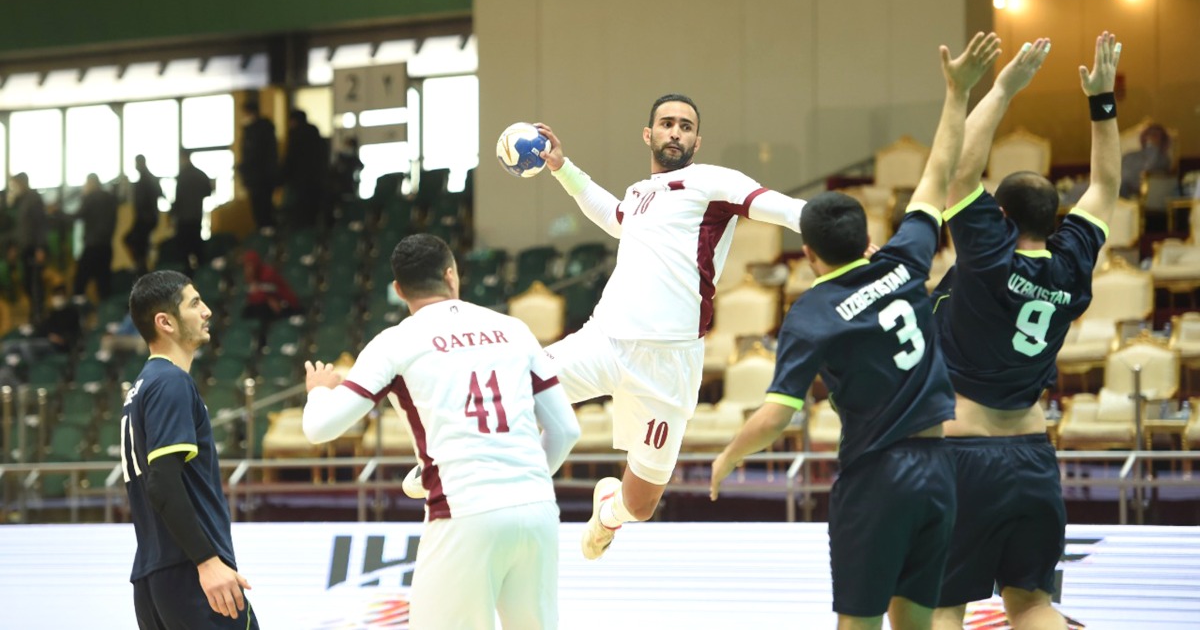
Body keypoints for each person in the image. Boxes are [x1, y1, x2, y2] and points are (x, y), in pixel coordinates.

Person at [709, 32, 1000, 630]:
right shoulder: (904, 259)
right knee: (914, 624)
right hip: (940, 472)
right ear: (863, 234)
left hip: (878, 480)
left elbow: (776, 415)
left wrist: (726, 457)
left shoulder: (811, 314)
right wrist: (957, 92)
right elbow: (937, 169)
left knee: (859, 624)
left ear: (808, 253)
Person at [534, 93, 811, 560]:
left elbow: (781, 209)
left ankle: (607, 513)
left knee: (640, 505)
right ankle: (442, 466)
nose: (675, 132)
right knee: (515, 388)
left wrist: (837, 229)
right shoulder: (641, 194)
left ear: (697, 140)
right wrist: (563, 167)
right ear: (649, 134)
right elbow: (611, 215)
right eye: (667, 123)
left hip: (669, 365)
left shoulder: (711, 183)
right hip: (604, 340)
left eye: (685, 126)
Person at [929, 34, 1121, 630]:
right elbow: (1106, 187)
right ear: (1054, 221)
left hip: (965, 456)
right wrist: (1103, 103)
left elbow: (961, 170)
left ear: (1001, 219)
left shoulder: (989, 258)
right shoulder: (1070, 265)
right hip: (1035, 458)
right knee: (1032, 604)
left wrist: (1005, 86)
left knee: (941, 608)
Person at [302, 233, 579, 629]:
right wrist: (520, 480)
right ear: (452, 276)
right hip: (536, 509)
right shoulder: (513, 329)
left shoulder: (395, 343)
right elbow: (566, 429)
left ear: (398, 290)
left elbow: (319, 428)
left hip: (463, 512)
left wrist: (318, 393)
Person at [120, 270, 258, 628]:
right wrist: (207, 561)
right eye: (195, 303)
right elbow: (162, 483)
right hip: (191, 575)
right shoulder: (170, 382)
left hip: (155, 576)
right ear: (165, 322)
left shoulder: (142, 387)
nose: (207, 310)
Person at [279, 108, 328, 229]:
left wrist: (282, 177)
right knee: (313, 217)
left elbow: (291, 159)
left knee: (300, 217)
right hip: (317, 183)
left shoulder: (296, 136)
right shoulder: (316, 136)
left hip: (300, 184)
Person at [9, 172, 47, 323]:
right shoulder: (22, 201)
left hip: (34, 248)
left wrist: (40, 248)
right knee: (27, 283)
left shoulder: (34, 199)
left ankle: (38, 317)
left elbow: (41, 224)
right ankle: (34, 315)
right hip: (24, 248)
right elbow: (20, 228)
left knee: (35, 284)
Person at [73, 173, 118, 300]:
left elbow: (78, 215)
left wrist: (57, 213)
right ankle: (106, 313)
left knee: (80, 282)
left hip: (92, 246)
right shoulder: (110, 198)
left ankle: (79, 311)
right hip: (107, 246)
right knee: (104, 283)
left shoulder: (90, 198)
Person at [237, 104, 278, 231]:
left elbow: (253, 156)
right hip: (264, 179)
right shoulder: (265, 130)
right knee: (264, 210)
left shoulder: (255, 133)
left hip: (259, 180)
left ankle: (266, 233)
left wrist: (243, 169)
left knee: (262, 210)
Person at [174, 152, 214, 275]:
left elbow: (178, 198)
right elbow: (208, 191)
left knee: (184, 252)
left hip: (183, 219)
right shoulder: (200, 174)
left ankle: (189, 277)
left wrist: (173, 214)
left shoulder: (182, 176)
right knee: (198, 248)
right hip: (196, 217)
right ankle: (202, 276)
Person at [124, 155, 163, 276]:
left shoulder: (144, 180)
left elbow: (141, 202)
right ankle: (142, 266)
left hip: (145, 219)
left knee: (134, 241)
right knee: (139, 243)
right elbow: (160, 193)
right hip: (149, 218)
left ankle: (142, 268)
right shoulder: (150, 178)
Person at [1119, 121, 1171, 199]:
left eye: (1156, 135)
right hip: (1122, 194)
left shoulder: (1163, 160)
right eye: (1149, 134)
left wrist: (1153, 147)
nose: (1151, 137)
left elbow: (1149, 168)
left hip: (1149, 198)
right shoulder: (1130, 156)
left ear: (1163, 141)